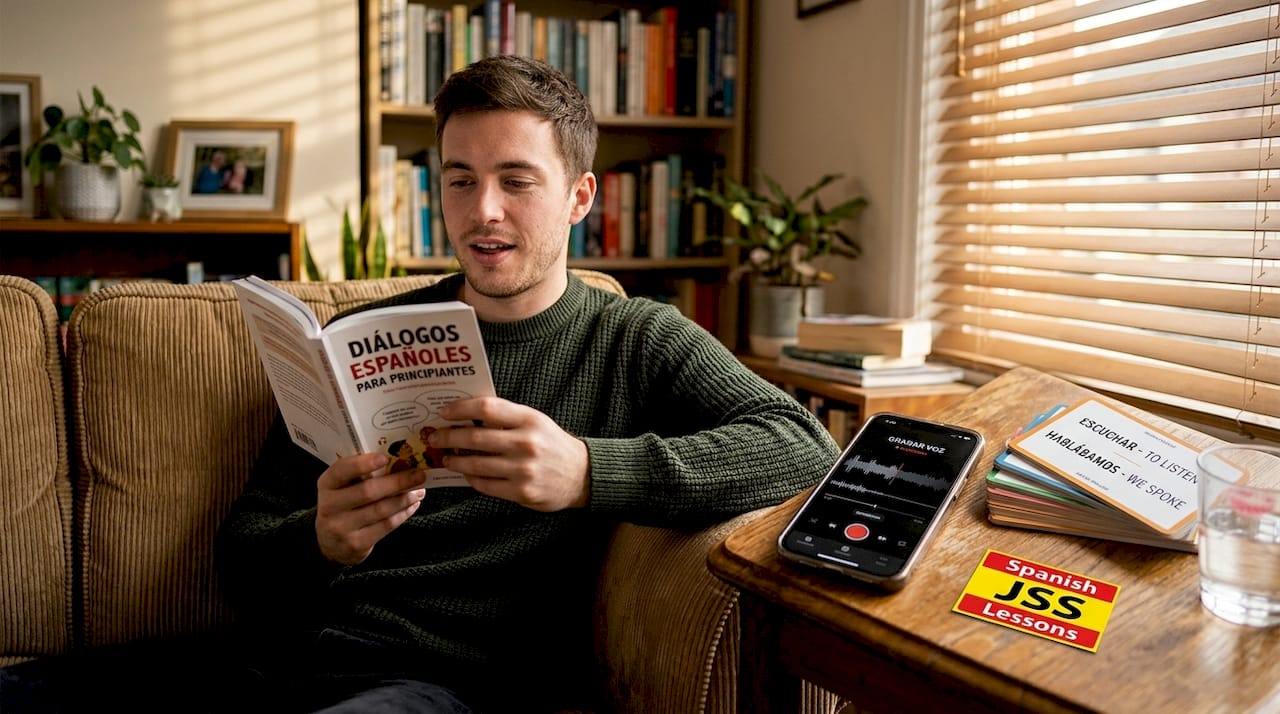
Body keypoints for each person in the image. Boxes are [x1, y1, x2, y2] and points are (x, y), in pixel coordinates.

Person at [0, 55, 837, 714]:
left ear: (580, 196)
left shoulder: (634, 337)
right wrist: (322, 537)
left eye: (517, 180)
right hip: (273, 662)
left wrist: (588, 472)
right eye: (460, 179)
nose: (484, 213)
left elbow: (802, 445)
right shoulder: (357, 342)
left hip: (439, 685)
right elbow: (243, 551)